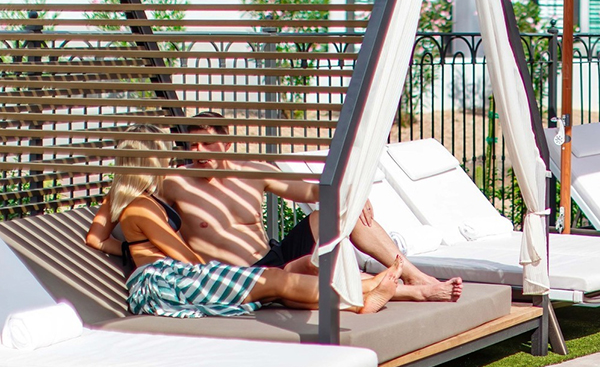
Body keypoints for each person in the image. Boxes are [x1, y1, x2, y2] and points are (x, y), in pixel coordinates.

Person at [86, 125, 401, 317]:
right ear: (150, 163)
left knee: (281, 281)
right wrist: (139, 251)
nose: (175, 159)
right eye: (167, 155)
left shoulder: (128, 199)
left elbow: (96, 239)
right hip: (170, 278)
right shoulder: (143, 206)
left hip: (172, 275)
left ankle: (364, 294)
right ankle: (362, 291)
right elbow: (183, 256)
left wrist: (132, 249)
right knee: (276, 282)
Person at [162, 112, 463, 303]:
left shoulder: (252, 172)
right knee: (315, 272)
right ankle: (414, 291)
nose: (198, 152)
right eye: (192, 145)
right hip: (240, 273)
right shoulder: (174, 182)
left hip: (274, 255)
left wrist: (349, 196)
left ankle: (412, 274)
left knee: (336, 211)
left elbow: (311, 190)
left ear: (226, 144)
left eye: (206, 143)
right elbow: (127, 198)